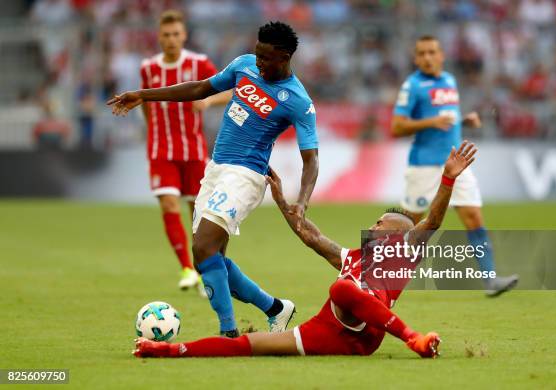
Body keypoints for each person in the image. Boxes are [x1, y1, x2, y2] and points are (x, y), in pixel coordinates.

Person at [131, 141, 478, 359]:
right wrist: (282, 201)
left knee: (341, 287)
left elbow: (431, 221)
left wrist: (448, 179)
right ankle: (167, 349)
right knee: (248, 347)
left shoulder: (400, 256)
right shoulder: (353, 258)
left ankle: (412, 338)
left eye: (379, 224)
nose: (372, 227)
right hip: (329, 330)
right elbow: (311, 236)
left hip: (367, 330)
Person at [108, 22, 319, 336]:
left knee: (205, 247)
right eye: (257, 53)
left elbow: (311, 159)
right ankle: (276, 308)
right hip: (216, 169)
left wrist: (301, 202)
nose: (258, 61)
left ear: (285, 56)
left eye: (266, 57)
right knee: (208, 257)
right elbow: (200, 88)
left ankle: (229, 333)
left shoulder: (298, 101)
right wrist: (144, 95)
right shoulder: (244, 65)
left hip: (246, 175)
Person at [391, 35, 518, 296]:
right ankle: (379, 274)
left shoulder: (449, 81)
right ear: (416, 59)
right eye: (422, 53)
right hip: (424, 166)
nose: (427, 57)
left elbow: (448, 118)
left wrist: (464, 120)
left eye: (431, 52)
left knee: (473, 217)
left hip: (456, 163)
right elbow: (397, 126)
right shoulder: (412, 86)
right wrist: (431, 122)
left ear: (441, 55)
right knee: (410, 224)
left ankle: (490, 279)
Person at [139, 10, 231, 293]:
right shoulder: (148, 68)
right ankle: (187, 269)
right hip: (161, 150)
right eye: (166, 35)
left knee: (197, 213)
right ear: (159, 37)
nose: (171, 39)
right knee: (168, 204)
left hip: (193, 151)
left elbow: (232, 90)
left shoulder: (198, 63)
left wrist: (208, 102)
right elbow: (144, 101)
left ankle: (204, 271)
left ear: (184, 35)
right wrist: (154, 129)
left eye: (176, 34)